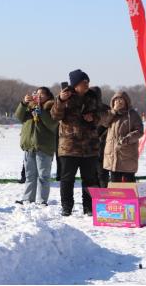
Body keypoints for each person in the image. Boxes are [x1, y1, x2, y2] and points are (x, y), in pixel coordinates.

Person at [51, 69, 102, 217]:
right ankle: (67, 206)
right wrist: (60, 100)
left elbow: (101, 115)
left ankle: (89, 207)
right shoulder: (64, 96)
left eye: (87, 82)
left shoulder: (93, 96)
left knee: (90, 179)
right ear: (75, 84)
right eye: (83, 82)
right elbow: (55, 115)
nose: (86, 85)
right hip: (69, 146)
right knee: (67, 179)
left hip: (89, 146)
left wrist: (93, 118)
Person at [15, 87, 57, 205]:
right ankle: (27, 198)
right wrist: (23, 103)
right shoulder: (29, 107)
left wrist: (42, 114)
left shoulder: (52, 108)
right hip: (29, 146)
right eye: (37, 94)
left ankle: (42, 200)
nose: (39, 96)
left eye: (42, 94)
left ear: (48, 97)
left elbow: (53, 125)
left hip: (44, 147)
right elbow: (18, 117)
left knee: (43, 176)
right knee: (30, 175)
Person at [102, 91, 143, 183]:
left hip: (127, 153)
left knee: (129, 182)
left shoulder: (132, 114)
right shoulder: (110, 114)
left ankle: (130, 198)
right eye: (116, 99)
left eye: (121, 99)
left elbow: (139, 131)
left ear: (126, 101)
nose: (118, 101)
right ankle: (116, 198)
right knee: (115, 183)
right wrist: (114, 111)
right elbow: (104, 123)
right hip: (112, 154)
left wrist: (127, 139)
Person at [92, 86, 110, 188]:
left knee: (102, 174)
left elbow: (108, 127)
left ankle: (102, 196)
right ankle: (95, 198)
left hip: (103, 147)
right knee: (93, 175)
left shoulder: (106, 110)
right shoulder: (86, 108)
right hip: (90, 148)